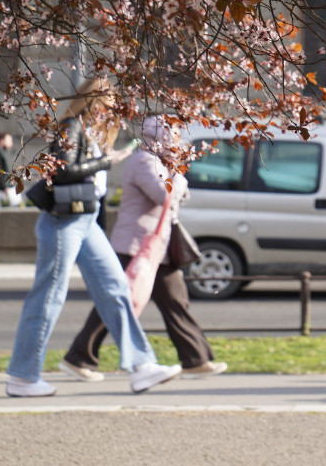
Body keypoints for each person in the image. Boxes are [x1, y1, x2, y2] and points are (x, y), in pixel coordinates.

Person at [5, 78, 181, 397]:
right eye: (106, 106)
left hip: (86, 220)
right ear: (92, 102)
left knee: (116, 289)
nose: (109, 114)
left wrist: (104, 155)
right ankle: (23, 376)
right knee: (48, 294)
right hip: (64, 222)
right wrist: (107, 161)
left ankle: (142, 368)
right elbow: (62, 170)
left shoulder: (88, 132)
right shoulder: (70, 127)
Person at [61, 116, 227, 382]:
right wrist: (179, 177)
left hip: (155, 247)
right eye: (172, 135)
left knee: (174, 302)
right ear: (158, 137)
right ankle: (79, 357)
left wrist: (176, 177)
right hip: (135, 247)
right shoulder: (144, 161)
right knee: (118, 302)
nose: (177, 140)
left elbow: (176, 194)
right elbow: (165, 195)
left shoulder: (160, 163)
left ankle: (195, 359)